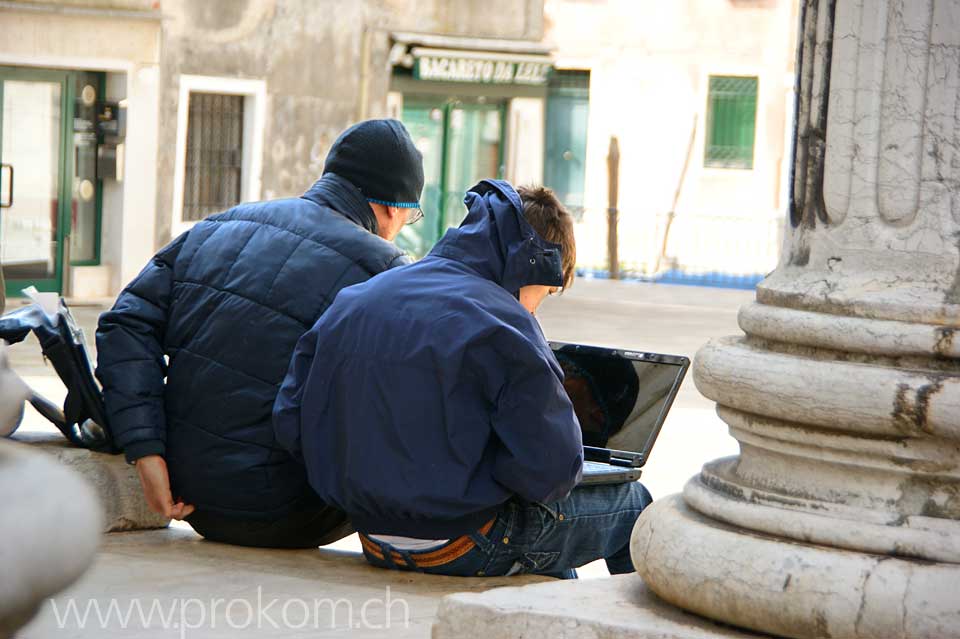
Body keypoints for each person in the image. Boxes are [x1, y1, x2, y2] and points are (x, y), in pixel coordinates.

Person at [274, 180, 652, 577]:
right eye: (545, 292)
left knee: (547, 549)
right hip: (461, 542)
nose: (536, 308)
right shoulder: (507, 324)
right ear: (536, 266)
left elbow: (290, 419)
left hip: (371, 533)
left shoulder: (357, 298)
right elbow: (552, 471)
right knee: (633, 503)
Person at [95, 119, 424, 548]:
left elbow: (125, 322)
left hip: (192, 495)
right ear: (393, 208)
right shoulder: (385, 270)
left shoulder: (215, 227)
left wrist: (145, 449)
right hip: (297, 513)